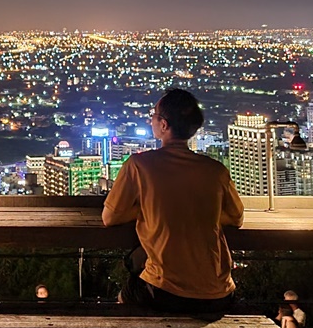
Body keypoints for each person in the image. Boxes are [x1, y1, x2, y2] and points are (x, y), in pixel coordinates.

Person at [103, 88, 244, 315]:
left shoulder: (140, 166)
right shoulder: (215, 171)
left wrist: (145, 210)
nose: (151, 119)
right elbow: (236, 218)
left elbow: (110, 218)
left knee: (125, 299)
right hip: (219, 294)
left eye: (154, 115)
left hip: (165, 292)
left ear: (164, 125)